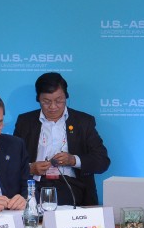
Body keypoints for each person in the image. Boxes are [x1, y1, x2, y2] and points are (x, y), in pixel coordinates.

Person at [13, 73, 111, 207]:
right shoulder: (25, 122)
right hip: (35, 185)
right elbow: (12, 162)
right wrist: (30, 168)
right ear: (38, 99)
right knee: (29, 204)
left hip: (71, 185)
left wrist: (73, 160)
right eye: (46, 101)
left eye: (59, 100)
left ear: (66, 96)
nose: (53, 106)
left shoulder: (83, 122)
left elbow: (102, 161)